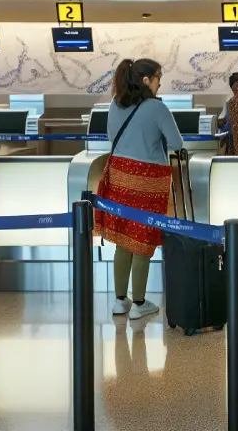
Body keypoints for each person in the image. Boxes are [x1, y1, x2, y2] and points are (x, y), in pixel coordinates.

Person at [94, 58, 184, 321]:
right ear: (146, 80)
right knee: (142, 242)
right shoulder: (156, 108)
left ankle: (120, 301)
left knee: (123, 240)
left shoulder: (115, 103)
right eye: (158, 78)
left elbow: (112, 138)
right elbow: (176, 142)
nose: (160, 84)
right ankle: (140, 303)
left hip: (119, 177)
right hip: (148, 181)